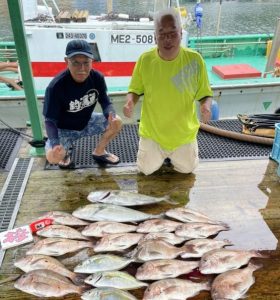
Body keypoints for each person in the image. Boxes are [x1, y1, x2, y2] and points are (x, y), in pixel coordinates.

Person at [123, 8, 213, 175]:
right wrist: (130, 102)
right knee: (145, 170)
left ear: (180, 33)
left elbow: (205, 94)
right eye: (162, 34)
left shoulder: (195, 60)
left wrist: (206, 105)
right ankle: (160, 157)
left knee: (188, 170)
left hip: (183, 134)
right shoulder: (145, 60)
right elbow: (134, 90)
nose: (168, 40)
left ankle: (172, 158)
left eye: (172, 33)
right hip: (153, 133)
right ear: (154, 36)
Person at [43, 39, 122, 168]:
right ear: (66, 61)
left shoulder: (97, 78)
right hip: (64, 129)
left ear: (92, 61)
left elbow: (105, 101)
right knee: (52, 157)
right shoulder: (55, 86)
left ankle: (99, 152)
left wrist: (110, 113)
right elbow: (49, 120)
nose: (82, 69)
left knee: (117, 121)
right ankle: (65, 153)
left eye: (86, 63)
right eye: (76, 63)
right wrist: (55, 142)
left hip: (86, 122)